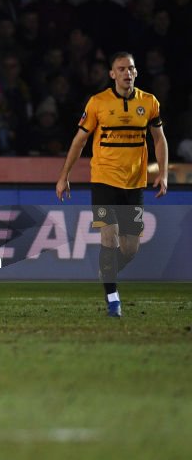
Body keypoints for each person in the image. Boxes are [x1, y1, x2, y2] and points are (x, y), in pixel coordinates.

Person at [55, 52, 168, 318]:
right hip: (104, 179)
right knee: (109, 235)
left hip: (134, 182)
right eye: (121, 69)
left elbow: (159, 140)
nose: (127, 73)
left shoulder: (149, 103)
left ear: (136, 72)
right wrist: (64, 175)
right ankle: (113, 299)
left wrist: (162, 173)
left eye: (131, 68)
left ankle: (107, 272)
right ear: (112, 74)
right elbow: (79, 141)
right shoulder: (98, 103)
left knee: (130, 248)